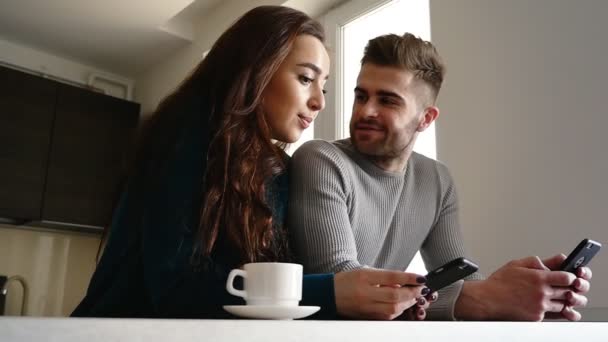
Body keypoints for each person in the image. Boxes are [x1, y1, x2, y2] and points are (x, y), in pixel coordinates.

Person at [71, 6, 430, 320]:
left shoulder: (274, 169)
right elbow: (177, 286)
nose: (319, 101)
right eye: (305, 78)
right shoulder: (189, 128)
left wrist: (379, 300)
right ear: (255, 69)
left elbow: (265, 287)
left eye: (325, 86)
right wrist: (332, 293)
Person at [288, 33, 593, 321]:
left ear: (426, 118)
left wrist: (526, 294)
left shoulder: (435, 180)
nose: (366, 111)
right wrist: (488, 296)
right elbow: (342, 280)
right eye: (361, 96)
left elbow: (460, 279)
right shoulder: (321, 159)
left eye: (387, 100)